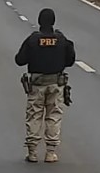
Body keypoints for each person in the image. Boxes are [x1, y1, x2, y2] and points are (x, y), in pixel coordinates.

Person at [15, 8, 76, 163]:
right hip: (56, 84)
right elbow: (70, 60)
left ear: (39, 22)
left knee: (34, 115)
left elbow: (19, 60)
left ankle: (33, 152)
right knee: (54, 116)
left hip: (37, 85)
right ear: (53, 22)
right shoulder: (62, 40)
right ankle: (50, 152)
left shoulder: (33, 40)